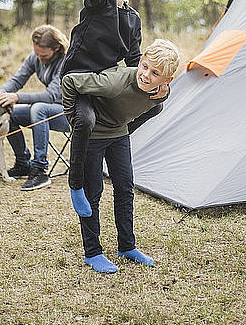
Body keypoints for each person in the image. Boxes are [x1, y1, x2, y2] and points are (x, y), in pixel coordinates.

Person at [61, 0, 167, 217]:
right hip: (79, 78)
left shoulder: (132, 18)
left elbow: (134, 60)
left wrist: (154, 87)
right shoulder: (97, 4)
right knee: (85, 120)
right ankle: (75, 183)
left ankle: (112, 135)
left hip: (108, 80)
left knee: (156, 106)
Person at [62, 39, 180, 273]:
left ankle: (127, 246)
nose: (145, 74)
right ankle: (92, 252)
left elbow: (154, 105)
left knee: (125, 189)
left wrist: (126, 130)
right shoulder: (114, 83)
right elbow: (69, 82)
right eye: (144, 66)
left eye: (155, 73)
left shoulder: (159, 95)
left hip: (118, 136)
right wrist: (74, 121)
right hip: (93, 136)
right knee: (93, 193)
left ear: (166, 81)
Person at [0, 25, 70, 191]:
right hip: (50, 110)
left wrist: (17, 97)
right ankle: (23, 163)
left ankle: (40, 170)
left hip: (70, 114)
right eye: (37, 54)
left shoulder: (67, 61)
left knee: (38, 108)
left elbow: (51, 96)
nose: (39, 58)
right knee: (9, 112)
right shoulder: (35, 57)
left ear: (56, 48)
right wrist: (0, 92)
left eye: (43, 55)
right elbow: (17, 80)